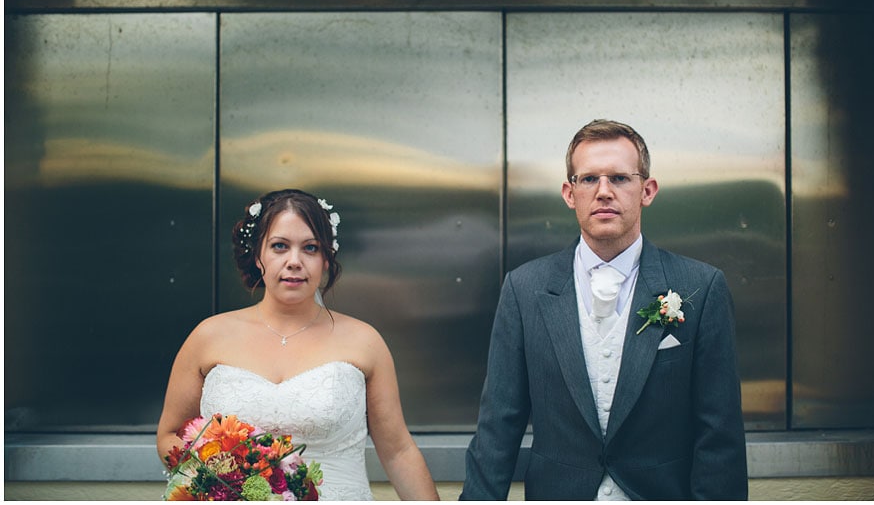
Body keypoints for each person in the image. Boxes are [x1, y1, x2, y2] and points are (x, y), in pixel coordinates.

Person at [461, 119, 747, 500]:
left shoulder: (702, 286)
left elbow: (719, 433)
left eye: (620, 178)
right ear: (569, 192)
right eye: (589, 179)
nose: (604, 192)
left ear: (647, 190)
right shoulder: (524, 288)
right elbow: (499, 424)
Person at [157, 188, 440, 501]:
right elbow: (170, 434)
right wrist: (223, 478)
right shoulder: (208, 336)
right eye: (279, 246)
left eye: (310, 248)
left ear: (326, 259)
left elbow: (398, 451)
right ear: (257, 255)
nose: (294, 261)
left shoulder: (364, 341)